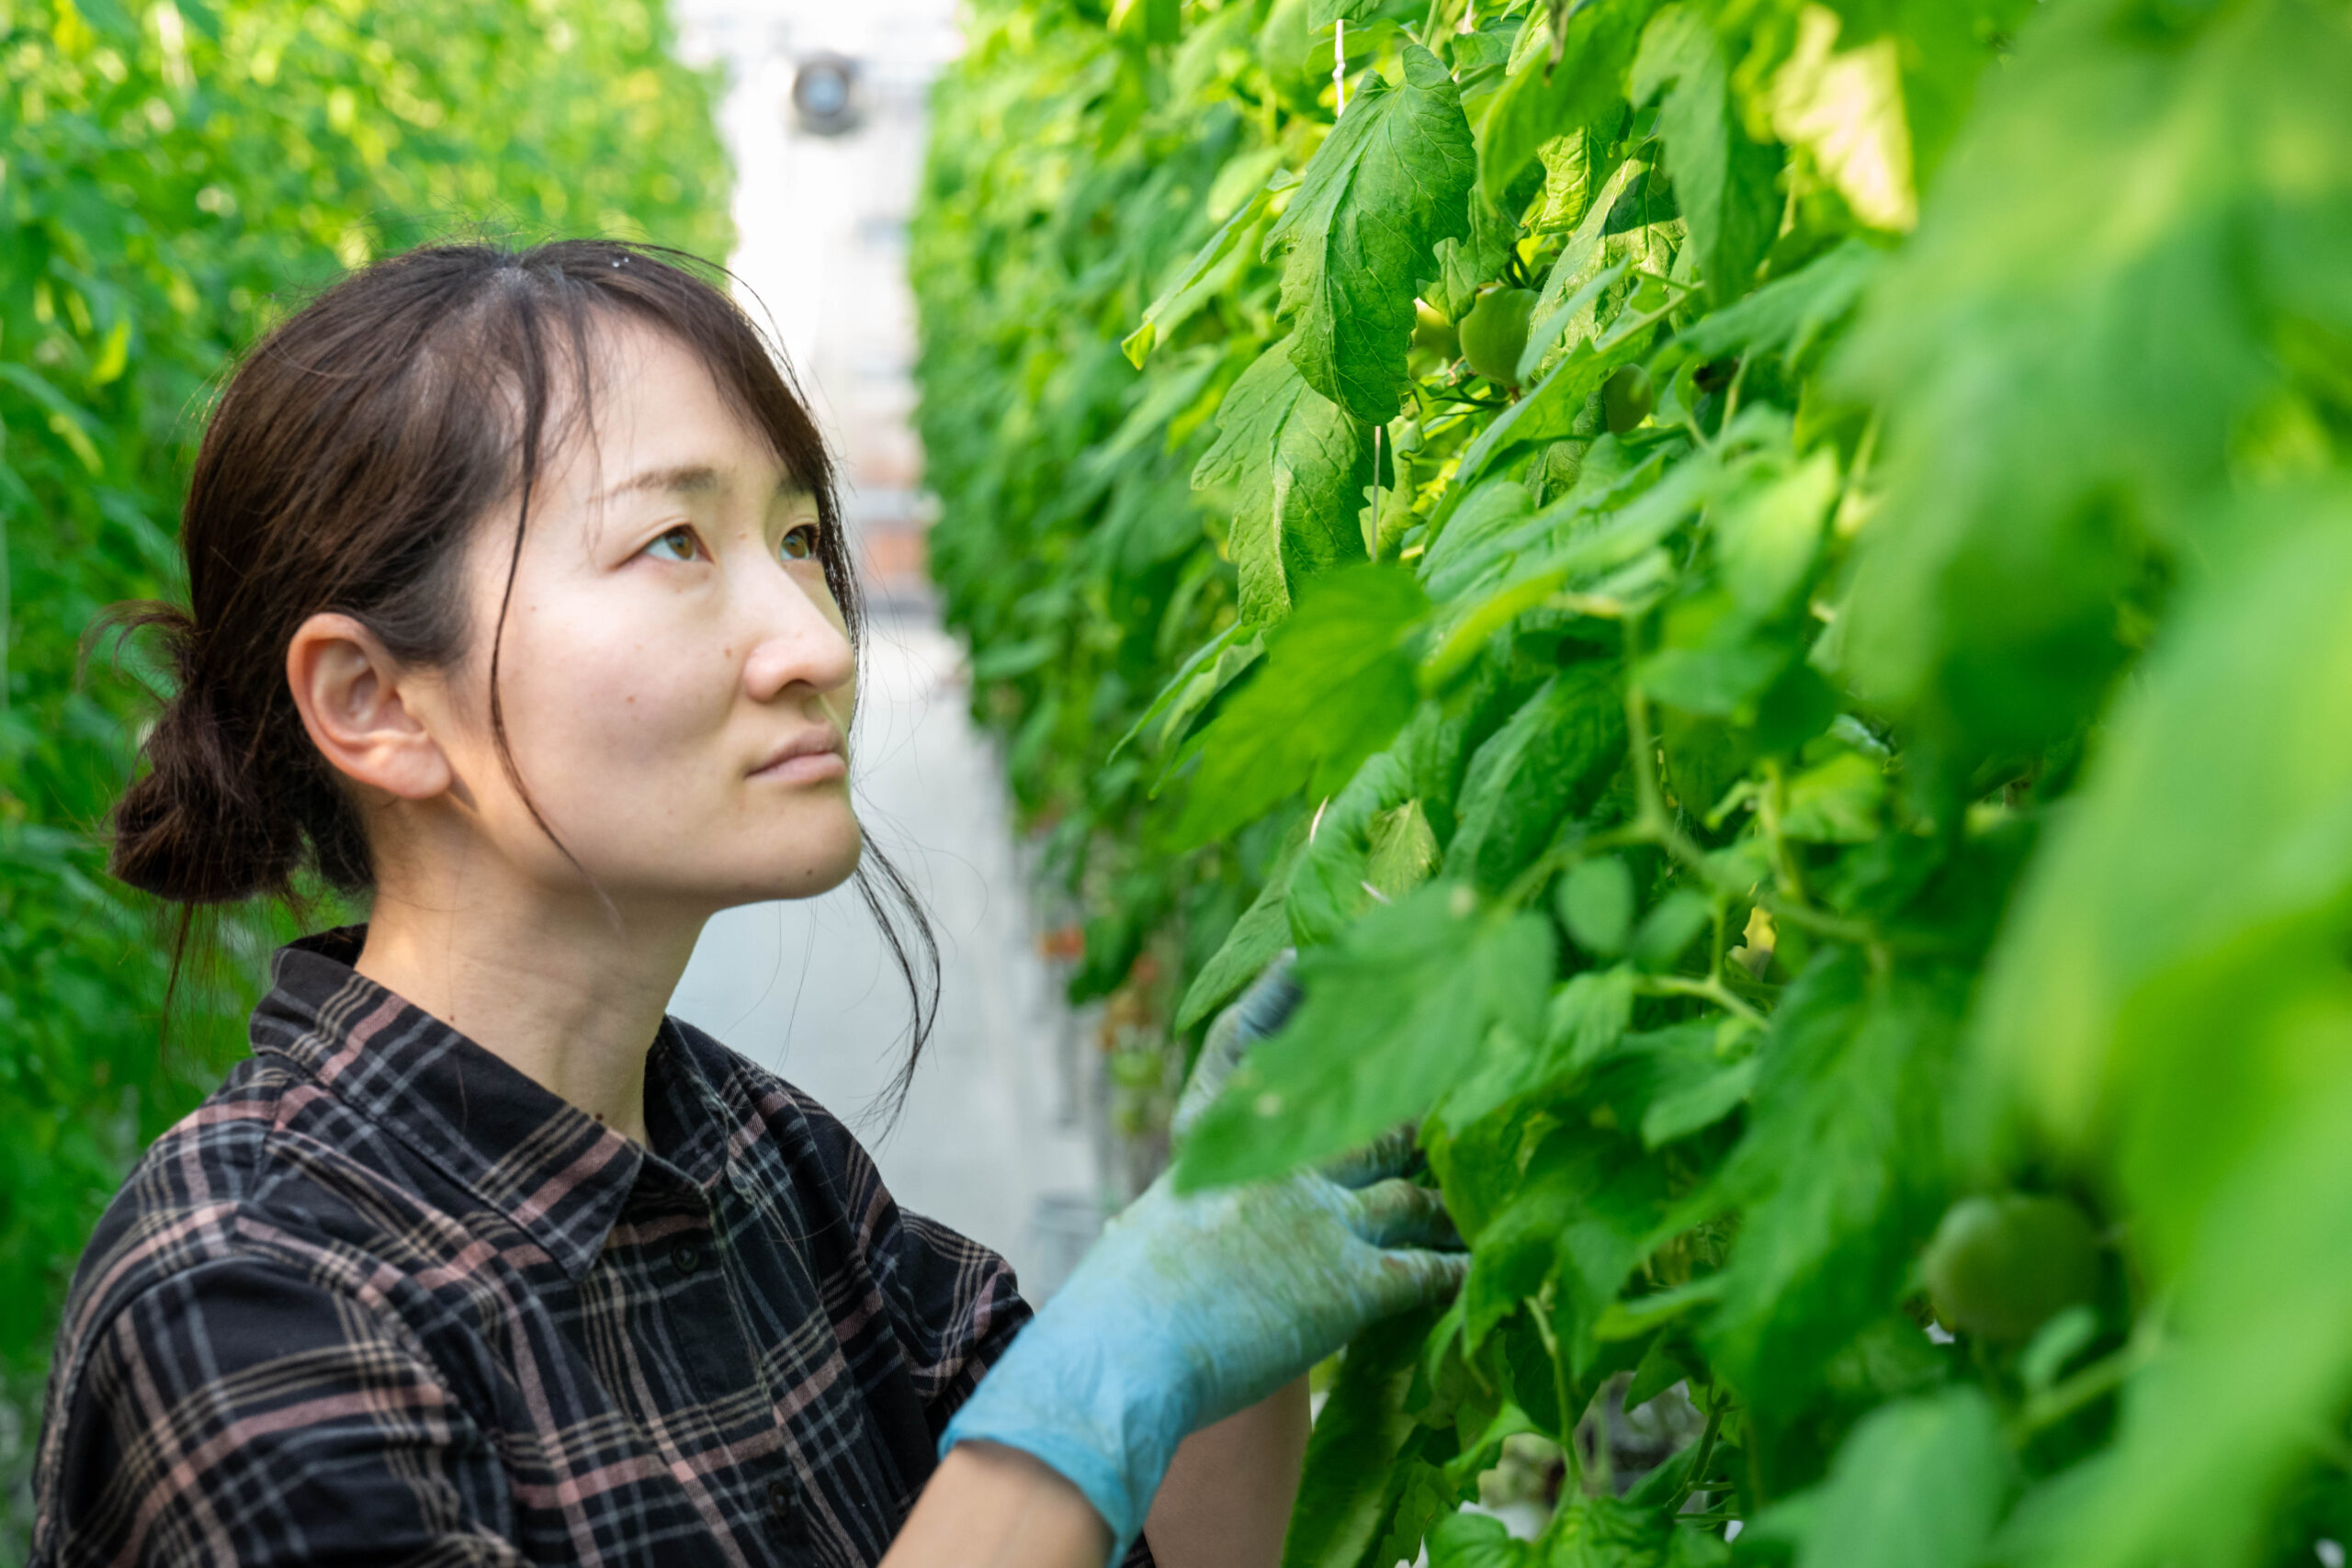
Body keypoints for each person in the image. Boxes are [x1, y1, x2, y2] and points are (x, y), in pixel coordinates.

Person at [27, 241, 1465, 1568]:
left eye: (793, 539)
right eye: (675, 545)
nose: (816, 640)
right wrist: (1094, 1383)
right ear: (378, 703)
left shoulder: (769, 1166)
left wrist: (1231, 1270)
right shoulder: (241, 1308)